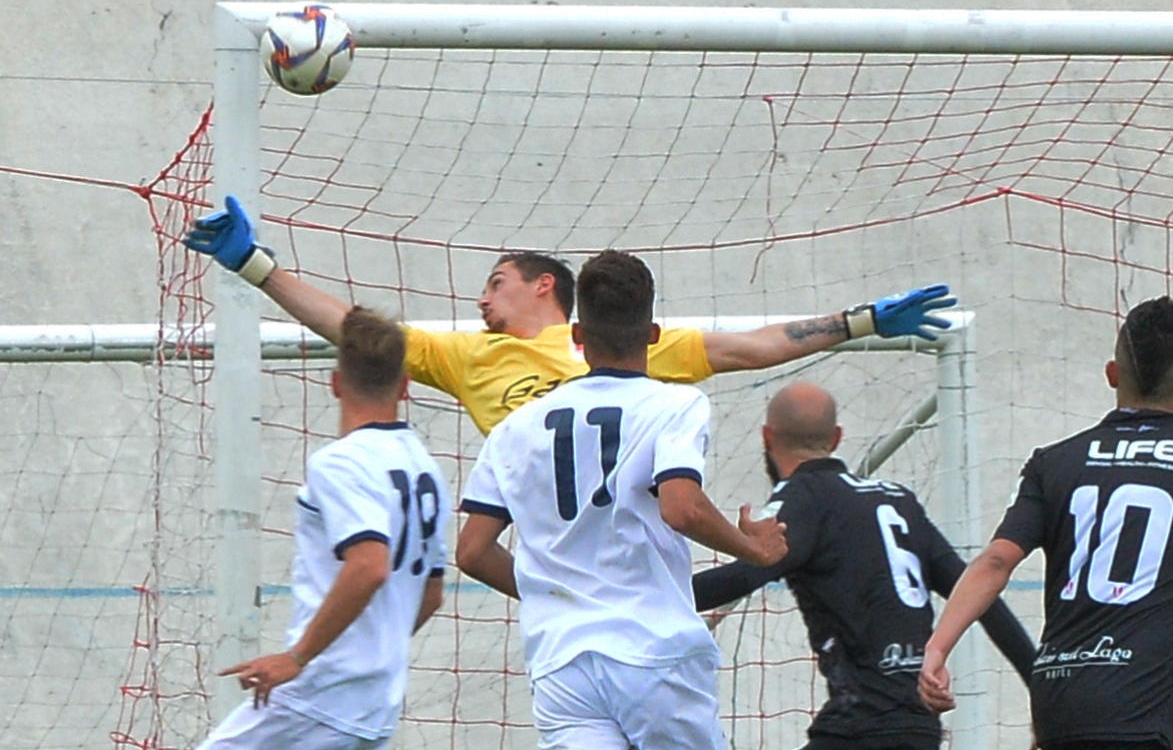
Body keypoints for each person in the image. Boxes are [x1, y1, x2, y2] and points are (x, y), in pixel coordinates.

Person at [454, 249, 789, 750]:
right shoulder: (675, 405)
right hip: (656, 651)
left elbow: (471, 551)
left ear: (576, 338)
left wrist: (554, 592)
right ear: (654, 335)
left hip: (564, 661)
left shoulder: (516, 427)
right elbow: (681, 507)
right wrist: (754, 547)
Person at [623, 381, 1037, 750]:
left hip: (868, 739)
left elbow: (746, 572)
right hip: (893, 734)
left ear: (766, 438)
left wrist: (629, 602)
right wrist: (1040, 688)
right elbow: (980, 591)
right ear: (837, 438)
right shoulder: (898, 500)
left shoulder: (802, 499)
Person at [183, 195, 957, 436]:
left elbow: (752, 347)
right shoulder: (463, 359)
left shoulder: (618, 345)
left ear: (546, 288)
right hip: (557, 564)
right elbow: (354, 328)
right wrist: (258, 267)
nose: (479, 300)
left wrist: (855, 321)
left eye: (495, 282)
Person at [149, 307, 450, 750]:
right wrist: (369, 650)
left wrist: (298, 657)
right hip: (374, 702)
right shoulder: (425, 469)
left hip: (321, 697)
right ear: (406, 387)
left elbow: (369, 566)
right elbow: (428, 595)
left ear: (335, 382)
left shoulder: (341, 464)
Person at [921, 296, 1173, 750]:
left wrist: (937, 649)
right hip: (1139, 701)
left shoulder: (1056, 461)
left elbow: (992, 563)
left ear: (1112, 375)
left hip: (1064, 689)